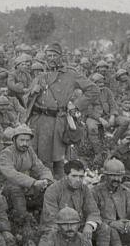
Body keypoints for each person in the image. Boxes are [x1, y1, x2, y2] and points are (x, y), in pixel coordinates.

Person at [26, 42, 98, 175]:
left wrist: (76, 106)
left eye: (54, 55)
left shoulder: (70, 74)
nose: (51, 58)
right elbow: (26, 99)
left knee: (57, 159)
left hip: (56, 121)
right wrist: (32, 92)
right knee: (37, 158)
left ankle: (57, 182)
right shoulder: (42, 75)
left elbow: (93, 90)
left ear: (61, 57)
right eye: (49, 56)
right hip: (38, 120)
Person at [0, 124, 54, 222]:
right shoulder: (6, 153)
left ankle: (48, 216)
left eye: (27, 141)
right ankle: (23, 219)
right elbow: (11, 174)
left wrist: (46, 179)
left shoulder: (29, 151)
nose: (25, 143)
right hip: (7, 187)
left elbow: (40, 167)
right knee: (15, 188)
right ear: (14, 140)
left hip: (27, 185)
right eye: (22, 140)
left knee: (52, 185)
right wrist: (33, 182)